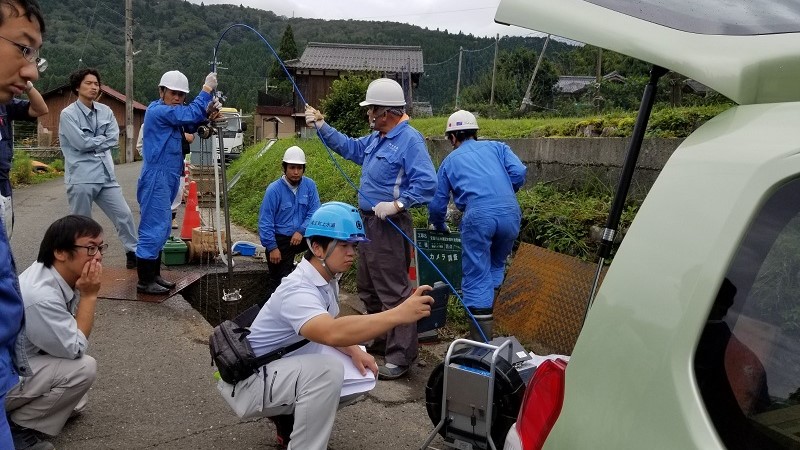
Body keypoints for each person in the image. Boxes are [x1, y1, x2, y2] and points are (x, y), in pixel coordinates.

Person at [218, 201, 434, 449]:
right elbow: (331, 332)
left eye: (354, 245)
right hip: (249, 384)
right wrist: (398, 314)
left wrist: (354, 351)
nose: (352, 252)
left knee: (359, 369)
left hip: (272, 372)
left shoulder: (326, 279)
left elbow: (330, 325)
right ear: (318, 248)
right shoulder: (297, 289)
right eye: (344, 245)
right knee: (327, 371)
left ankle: (289, 419)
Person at [305, 78, 437, 380]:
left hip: (389, 225)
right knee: (368, 284)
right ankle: (380, 337)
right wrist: (323, 127)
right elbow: (351, 148)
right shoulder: (379, 137)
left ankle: (401, 354)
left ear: (387, 112)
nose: (369, 114)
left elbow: (428, 183)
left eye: (372, 109)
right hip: (367, 223)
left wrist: (398, 205)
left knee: (394, 290)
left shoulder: (409, 140)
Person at [427, 110, 527, 341]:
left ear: (452, 138)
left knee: (475, 273)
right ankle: (490, 314)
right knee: (495, 264)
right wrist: (507, 191)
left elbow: (437, 203)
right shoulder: (498, 147)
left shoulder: (450, 161)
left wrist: (439, 224)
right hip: (511, 213)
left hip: (478, 216)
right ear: (475, 132)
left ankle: (479, 342)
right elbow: (519, 172)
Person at [6, 215, 102, 450]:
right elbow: (75, 349)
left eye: (100, 248)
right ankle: (18, 431)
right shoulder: (41, 297)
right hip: (5, 377)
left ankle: (24, 414)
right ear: (60, 252)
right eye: (90, 248)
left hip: (16, 364)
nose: (98, 256)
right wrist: (89, 295)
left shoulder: (46, 271)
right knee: (83, 370)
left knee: (76, 402)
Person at [0, 0, 45, 448]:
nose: (31, 71)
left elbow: (36, 109)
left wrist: (23, 68)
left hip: (3, 191)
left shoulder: (6, 103)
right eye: (23, 48)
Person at [136, 70, 219, 294]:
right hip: (157, 175)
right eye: (174, 93)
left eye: (182, 95)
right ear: (161, 91)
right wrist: (206, 90)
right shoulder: (158, 111)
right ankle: (144, 280)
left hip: (170, 174)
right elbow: (189, 114)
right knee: (153, 226)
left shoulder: (171, 113)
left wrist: (206, 115)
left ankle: (154, 275)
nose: (178, 98)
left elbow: (190, 123)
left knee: (162, 226)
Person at [58, 68, 138, 270]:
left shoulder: (106, 111)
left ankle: (133, 252)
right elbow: (80, 144)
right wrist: (98, 141)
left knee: (124, 214)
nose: (94, 87)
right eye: (88, 83)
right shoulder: (67, 115)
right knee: (82, 224)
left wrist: (93, 141)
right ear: (77, 87)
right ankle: (83, 261)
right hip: (81, 177)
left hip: (106, 175)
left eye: (96, 84)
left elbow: (112, 138)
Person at [258, 145, 320, 299]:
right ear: (284, 168)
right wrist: (272, 247)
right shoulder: (274, 190)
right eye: (292, 168)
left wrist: (301, 231)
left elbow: (314, 212)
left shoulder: (309, 186)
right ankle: (272, 312)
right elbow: (265, 221)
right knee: (279, 283)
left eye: (299, 168)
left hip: (302, 236)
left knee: (324, 241)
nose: (296, 172)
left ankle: (305, 273)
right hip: (281, 241)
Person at [0, 79, 47, 238]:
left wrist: (28, 86)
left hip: (1, 181)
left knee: (5, 234)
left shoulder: (5, 103)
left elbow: (40, 109)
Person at [136, 123, 193, 230]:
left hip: (176, 163)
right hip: (155, 165)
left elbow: (190, 137)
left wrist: (183, 135)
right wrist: (151, 159)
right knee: (153, 191)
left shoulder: (180, 123)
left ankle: (171, 217)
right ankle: (151, 217)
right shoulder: (149, 122)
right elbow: (140, 145)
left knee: (177, 191)